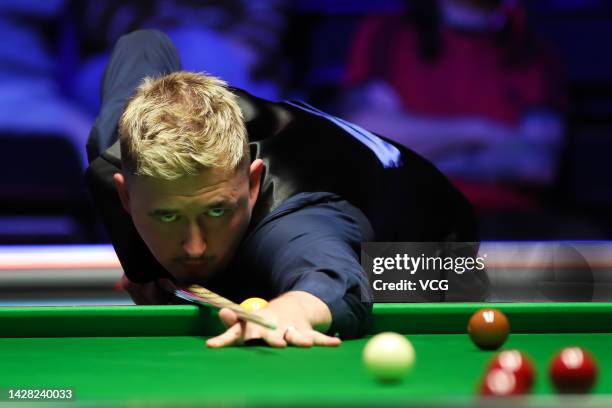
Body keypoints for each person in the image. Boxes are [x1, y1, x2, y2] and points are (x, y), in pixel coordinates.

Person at [85, 30, 488, 348]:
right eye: (168, 216)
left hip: (435, 251)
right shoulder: (120, 146)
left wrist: (294, 308)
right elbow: (144, 43)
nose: (194, 247)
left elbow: (330, 274)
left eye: (217, 211)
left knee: (350, 292)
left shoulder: (292, 217)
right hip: (335, 185)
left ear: (253, 182)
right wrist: (143, 266)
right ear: (126, 194)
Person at [342, 0, 566, 212]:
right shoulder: (386, 35)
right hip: (409, 218)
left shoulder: (532, 49)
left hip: (510, 222)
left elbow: (537, 164)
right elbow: (367, 138)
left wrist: (416, 156)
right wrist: (480, 131)